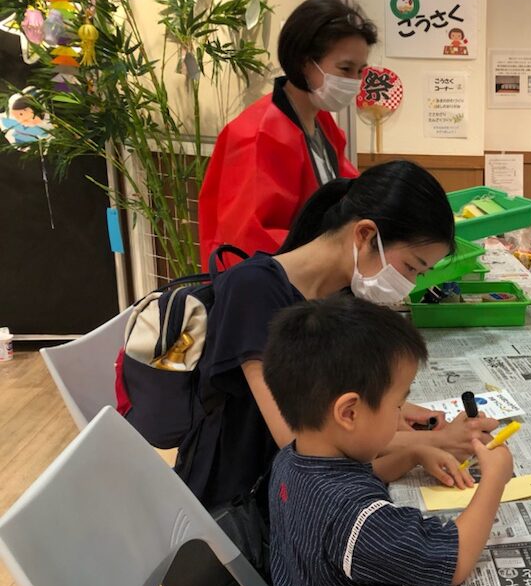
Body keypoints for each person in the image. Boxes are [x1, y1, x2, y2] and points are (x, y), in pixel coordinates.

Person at [178, 160, 498, 510]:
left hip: (308, 483)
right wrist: (428, 443)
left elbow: (332, 403)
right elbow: (301, 441)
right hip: (243, 502)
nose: (409, 285)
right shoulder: (253, 291)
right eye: (411, 267)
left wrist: (403, 415)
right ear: (365, 235)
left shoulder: (344, 294)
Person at [264, 295, 513, 586]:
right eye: (397, 405)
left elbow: (363, 476)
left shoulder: (291, 460)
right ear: (349, 413)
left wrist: (413, 452)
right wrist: (495, 479)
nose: (401, 416)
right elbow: (455, 559)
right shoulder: (354, 518)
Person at [198, 0, 374, 268]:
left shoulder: (322, 122)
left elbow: (348, 191)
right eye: (345, 69)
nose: (354, 81)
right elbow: (249, 240)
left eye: (360, 71)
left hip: (309, 277)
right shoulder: (257, 135)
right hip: (271, 283)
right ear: (305, 62)